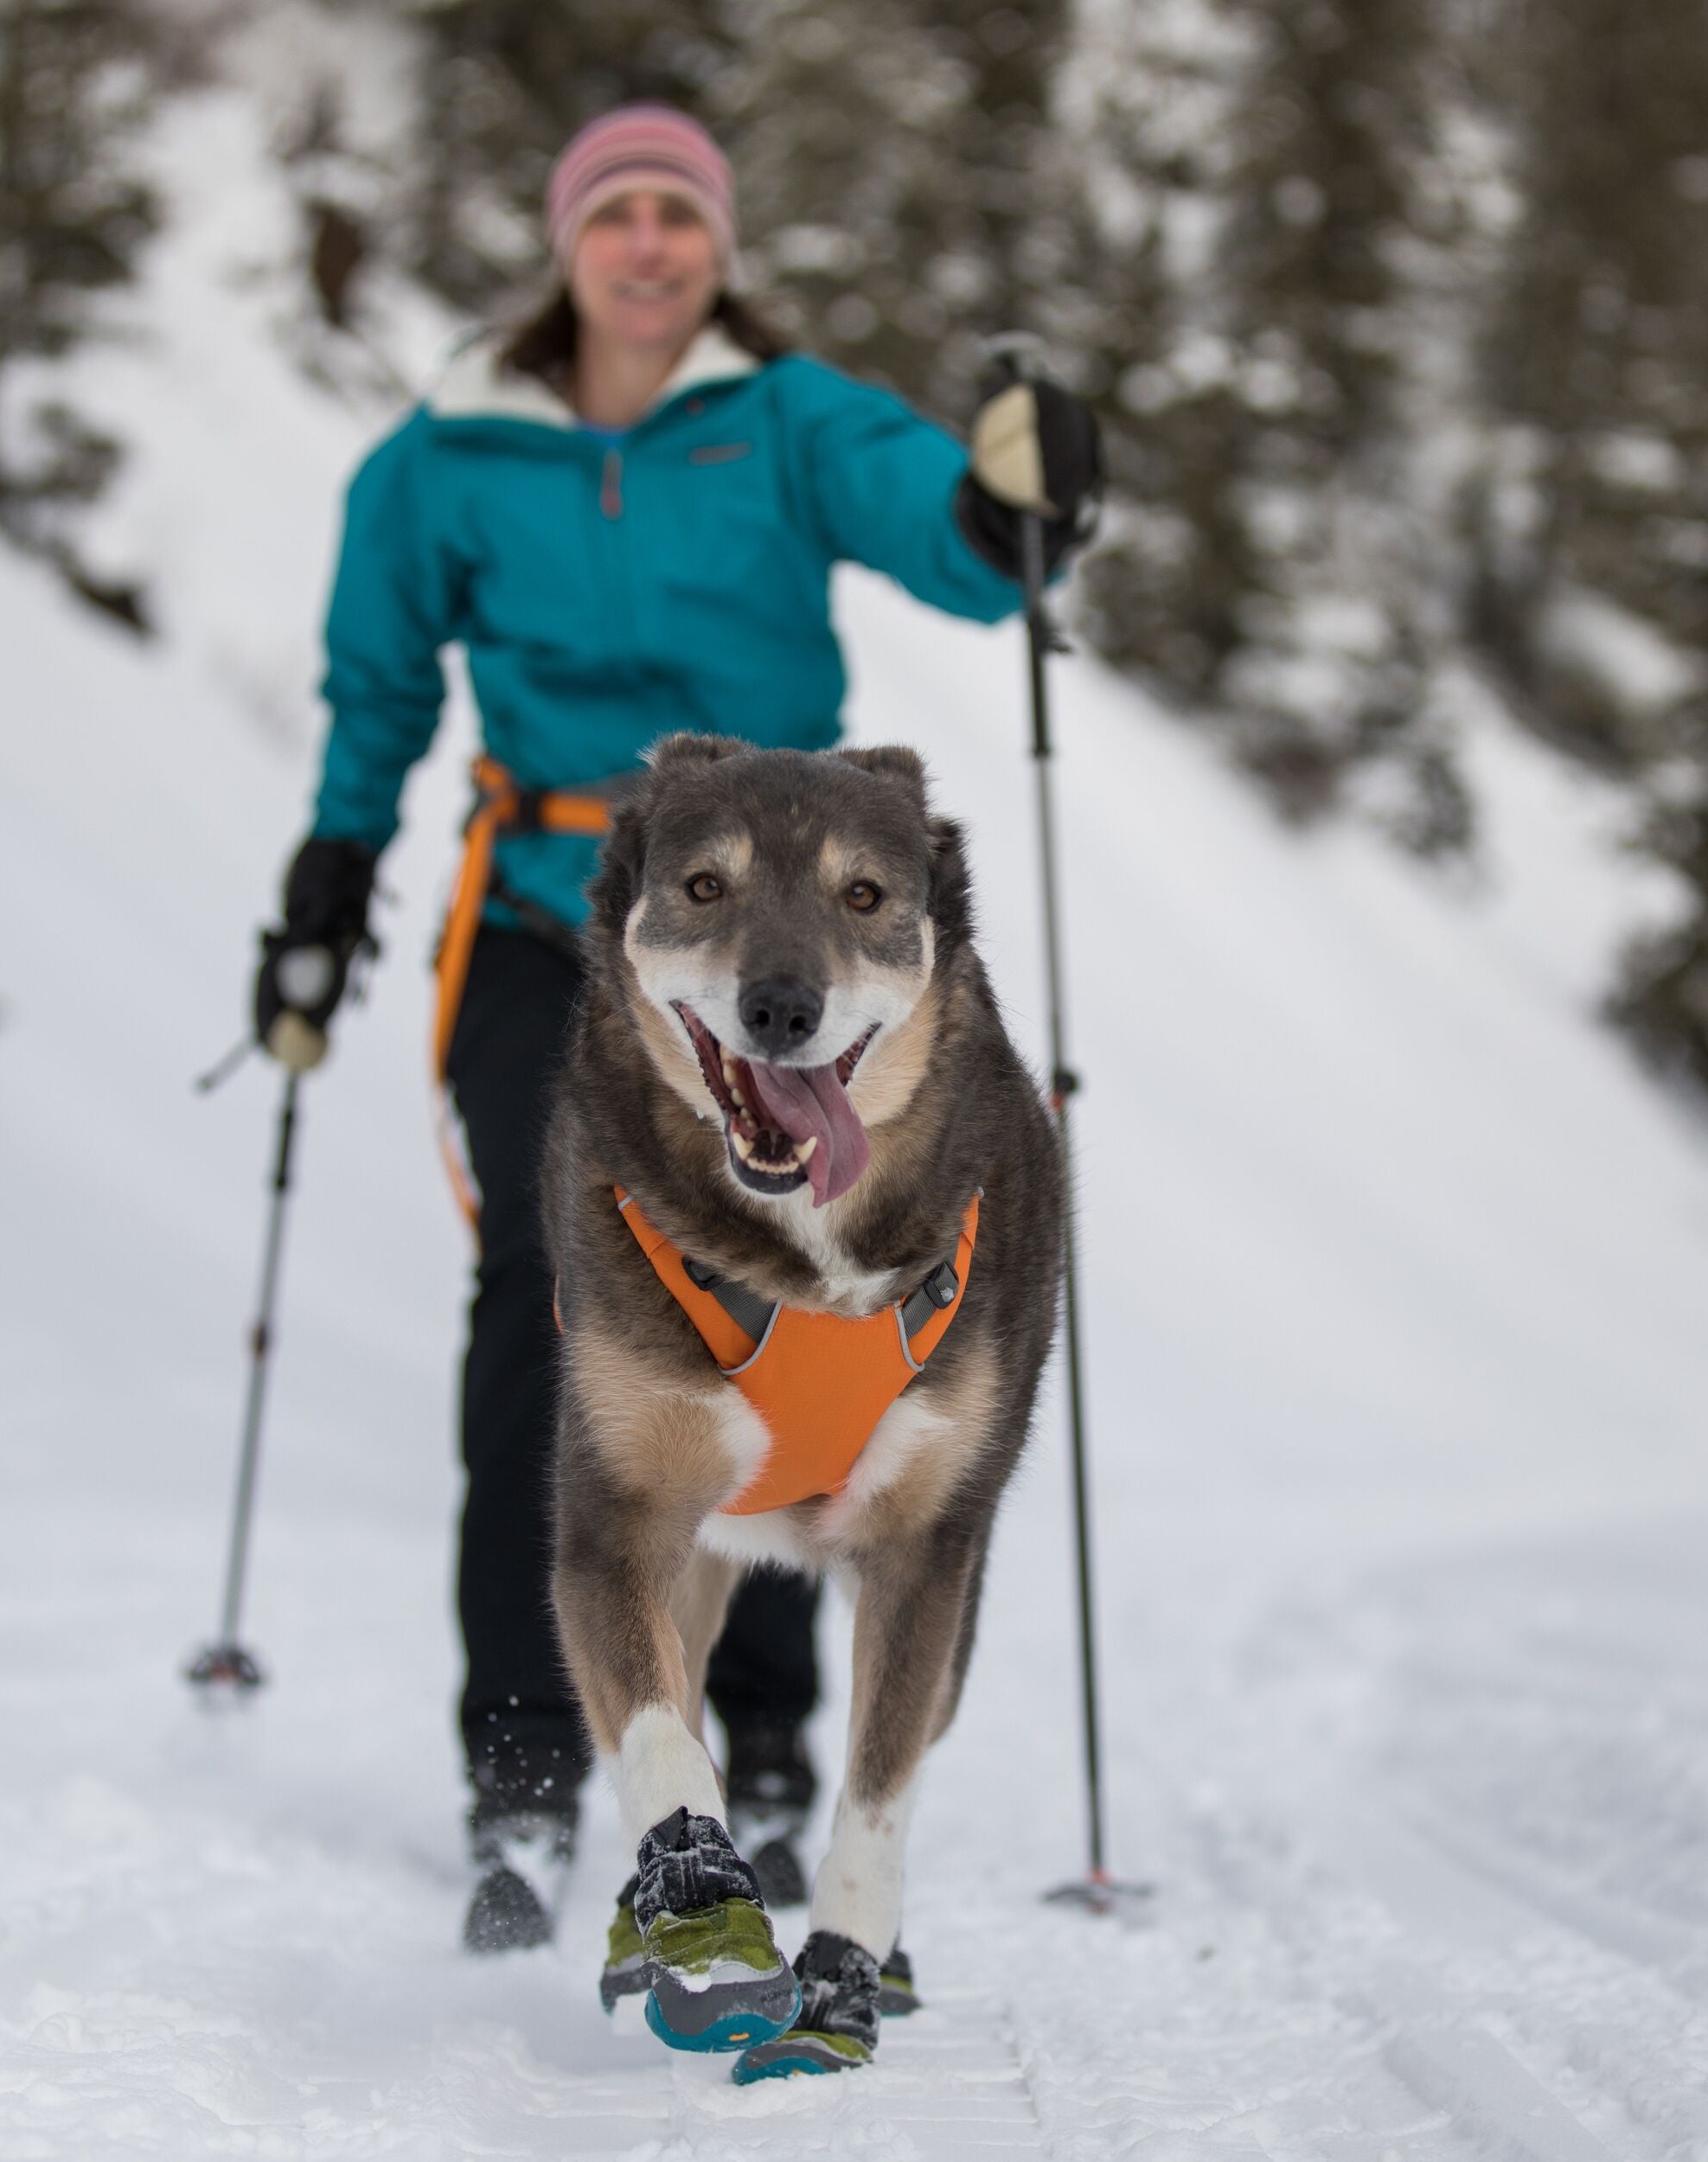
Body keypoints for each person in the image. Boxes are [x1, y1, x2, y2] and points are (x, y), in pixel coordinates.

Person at [251, 103, 1101, 1953]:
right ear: (567, 242)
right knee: (554, 1309)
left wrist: (1013, 503)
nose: (649, 245)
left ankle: (779, 1749)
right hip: (560, 910)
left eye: (680, 216)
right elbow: (378, 679)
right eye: (615, 214)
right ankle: (532, 1751)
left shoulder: (787, 416)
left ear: (716, 244)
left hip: (785, 919)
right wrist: (331, 869)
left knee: (819, 1304)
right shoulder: (443, 450)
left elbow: (947, 532)